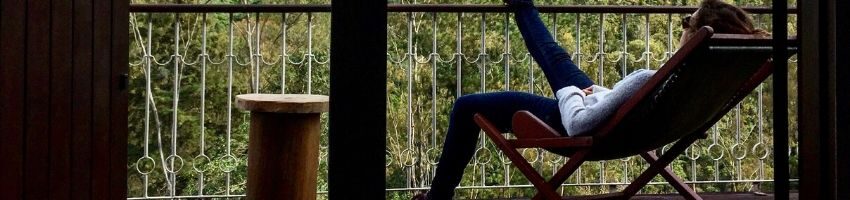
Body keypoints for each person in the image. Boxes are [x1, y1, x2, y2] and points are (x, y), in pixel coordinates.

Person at [414, 0, 766, 199]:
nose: (683, 28)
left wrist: (570, 94)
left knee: (466, 106)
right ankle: (523, 6)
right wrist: (595, 95)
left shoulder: (649, 79)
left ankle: (437, 199)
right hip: (613, 115)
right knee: (556, 58)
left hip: (575, 121)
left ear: (693, 34)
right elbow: (623, 106)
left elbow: (578, 124)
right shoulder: (700, 88)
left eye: (686, 23)